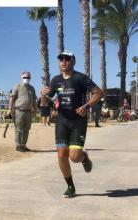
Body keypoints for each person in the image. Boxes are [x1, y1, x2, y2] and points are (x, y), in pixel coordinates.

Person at [42, 50, 103, 198]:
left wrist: (87, 106)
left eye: (67, 59)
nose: (63, 61)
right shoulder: (55, 80)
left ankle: (83, 157)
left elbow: (98, 92)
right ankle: (70, 186)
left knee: (74, 157)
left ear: (73, 61)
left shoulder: (80, 78)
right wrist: (43, 95)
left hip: (78, 122)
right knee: (62, 154)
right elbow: (46, 101)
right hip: (62, 121)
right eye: (61, 59)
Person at [9, 71, 37, 152]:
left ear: (30, 78)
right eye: (25, 77)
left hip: (28, 112)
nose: (26, 79)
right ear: (21, 77)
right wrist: (10, 109)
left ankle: (23, 145)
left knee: (27, 129)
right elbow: (12, 98)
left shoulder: (32, 88)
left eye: (28, 77)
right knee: (18, 129)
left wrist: (35, 111)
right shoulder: (17, 86)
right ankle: (18, 145)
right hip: (19, 111)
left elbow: (34, 101)